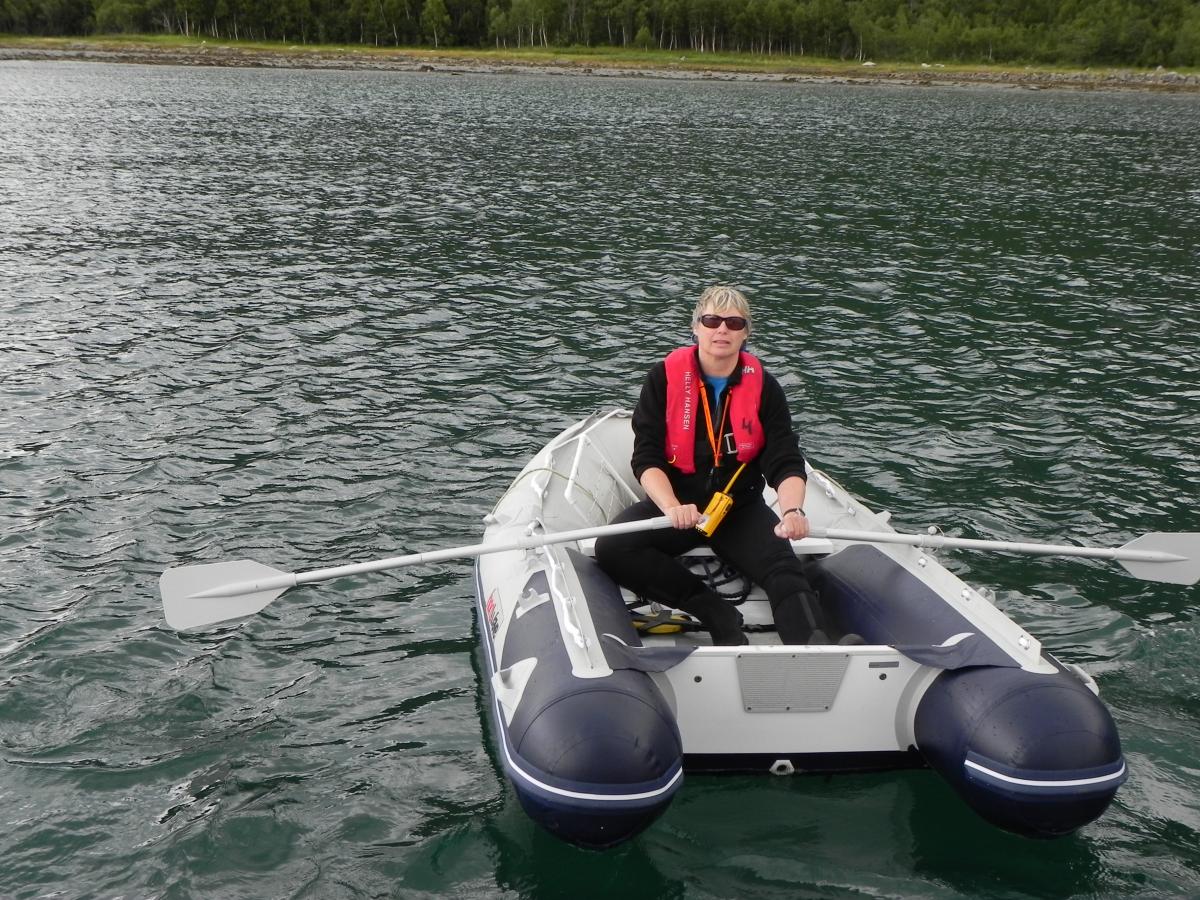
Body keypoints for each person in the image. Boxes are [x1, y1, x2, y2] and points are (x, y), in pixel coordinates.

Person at [594, 285, 841, 646]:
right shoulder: (663, 379)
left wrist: (792, 511)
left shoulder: (765, 388)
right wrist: (671, 506)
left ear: (746, 332)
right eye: (712, 320)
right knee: (613, 548)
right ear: (696, 327)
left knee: (784, 571)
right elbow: (646, 457)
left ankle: (815, 652)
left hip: (738, 508)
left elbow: (784, 458)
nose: (721, 329)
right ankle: (713, 610)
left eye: (733, 322)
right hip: (682, 509)